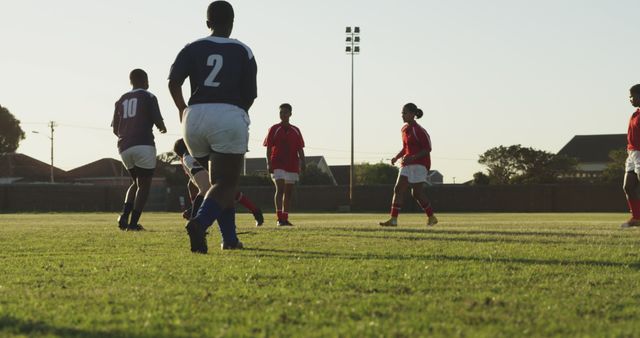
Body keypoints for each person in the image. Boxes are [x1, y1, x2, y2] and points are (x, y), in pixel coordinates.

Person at [168, 1, 257, 253]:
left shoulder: (192, 47)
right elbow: (250, 94)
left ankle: (229, 239)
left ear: (208, 23)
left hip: (194, 117)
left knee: (217, 185)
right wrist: (237, 113)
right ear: (232, 23)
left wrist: (182, 109)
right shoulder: (243, 50)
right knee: (225, 182)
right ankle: (200, 223)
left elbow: (174, 82)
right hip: (227, 113)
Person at [112, 69, 167, 231]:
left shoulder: (121, 99)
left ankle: (124, 216)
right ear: (144, 80)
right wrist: (162, 127)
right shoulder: (148, 96)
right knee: (144, 185)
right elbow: (157, 118)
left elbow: (116, 128)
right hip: (143, 143)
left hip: (123, 146)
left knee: (136, 182)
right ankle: (133, 223)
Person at [173, 138, 264, 226]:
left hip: (207, 155)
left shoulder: (189, 154)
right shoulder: (192, 150)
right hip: (211, 154)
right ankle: (196, 217)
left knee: (217, 189)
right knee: (220, 188)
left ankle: (195, 219)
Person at [379, 103, 437, 227]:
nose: (402, 115)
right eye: (402, 113)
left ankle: (431, 217)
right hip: (406, 164)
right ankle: (393, 219)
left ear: (412, 114)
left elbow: (428, 149)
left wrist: (413, 158)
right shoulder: (404, 129)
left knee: (416, 194)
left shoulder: (419, 130)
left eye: (405, 113)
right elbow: (406, 148)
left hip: (420, 165)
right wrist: (396, 157)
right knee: (398, 188)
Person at [263, 103, 306, 226]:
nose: (283, 114)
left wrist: (303, 162)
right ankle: (279, 218)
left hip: (292, 164)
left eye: (285, 112)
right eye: (281, 112)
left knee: (289, 192)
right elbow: (269, 147)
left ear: (290, 114)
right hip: (277, 163)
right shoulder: (274, 129)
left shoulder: (296, 130)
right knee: (280, 189)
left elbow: (300, 148)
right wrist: (269, 163)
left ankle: (285, 218)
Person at [622, 84, 640, 228]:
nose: (630, 99)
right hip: (632, 153)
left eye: (632, 95)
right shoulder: (635, 114)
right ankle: (636, 218)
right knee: (628, 186)